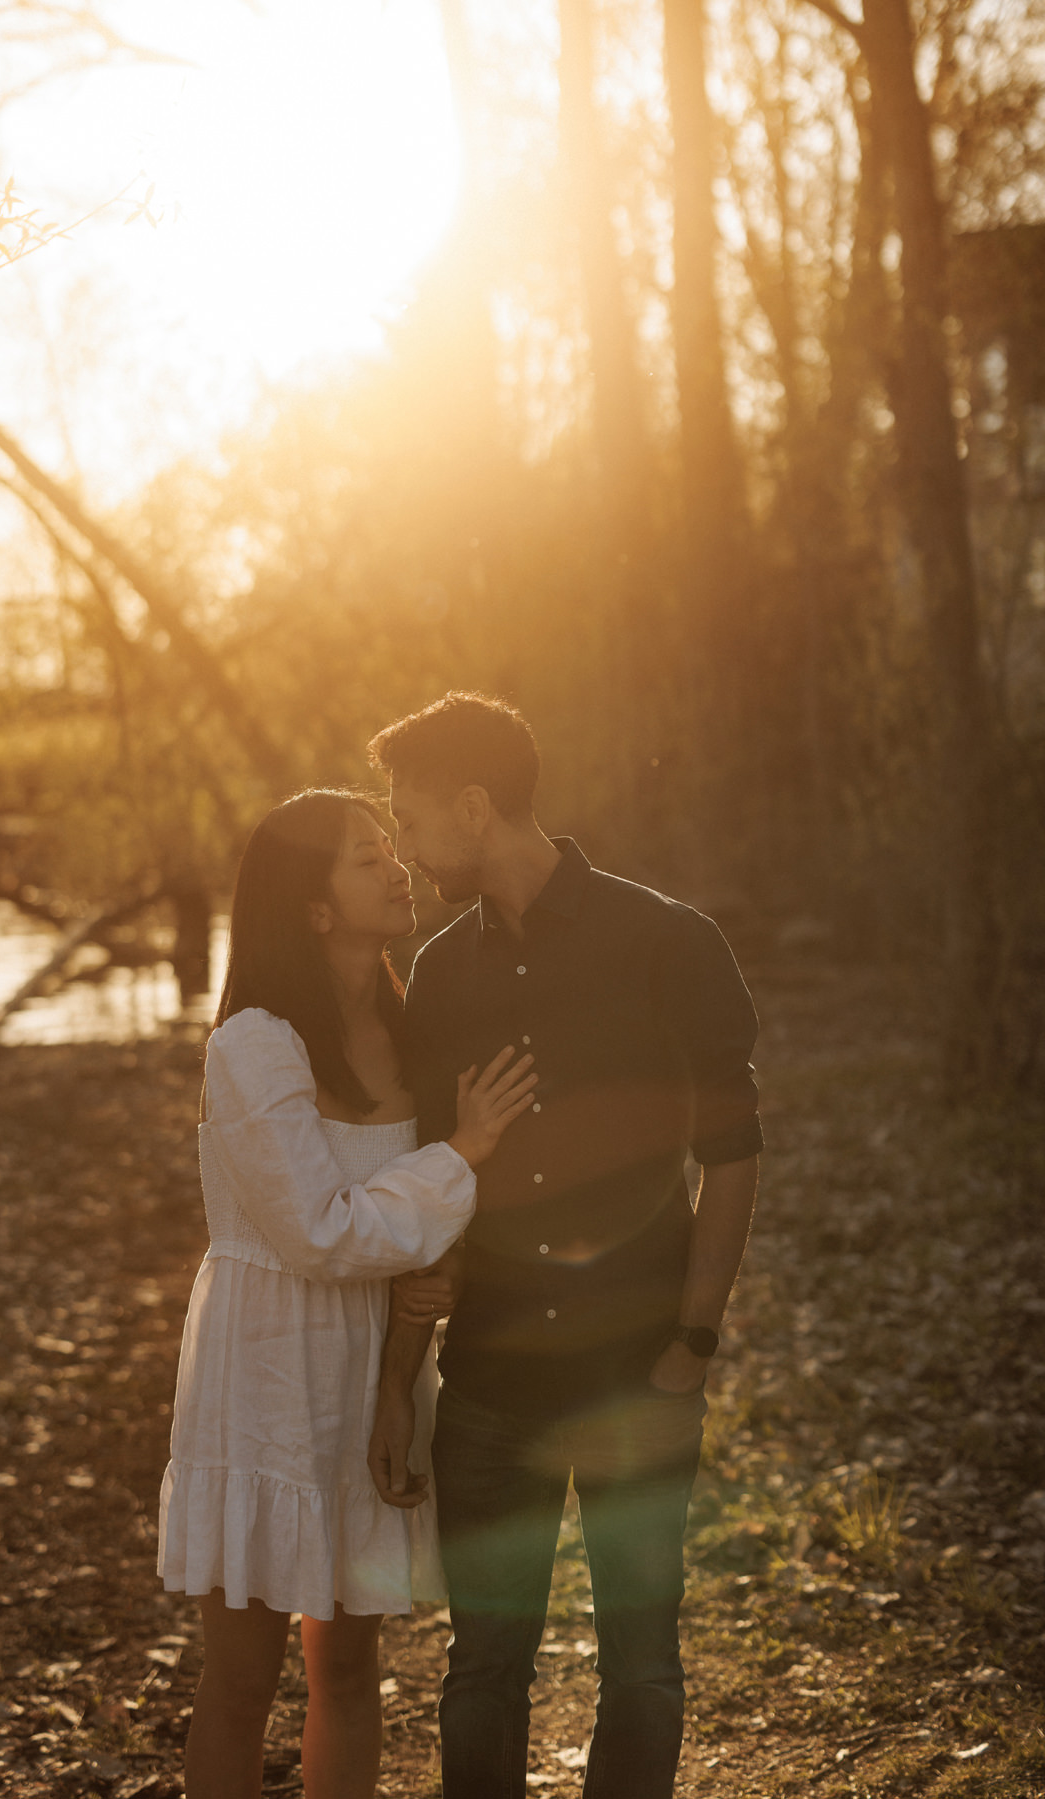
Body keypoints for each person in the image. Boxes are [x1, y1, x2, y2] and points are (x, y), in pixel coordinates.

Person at [365, 694, 763, 1799]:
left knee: (644, 1663)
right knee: (482, 1668)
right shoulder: (440, 973)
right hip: (493, 1377)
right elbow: (434, 1164)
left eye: (410, 816)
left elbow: (733, 1153)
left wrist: (693, 1338)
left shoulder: (669, 942)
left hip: (642, 1366)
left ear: (475, 804)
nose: (404, 844)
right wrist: (409, 1365)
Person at [157, 788, 537, 1799]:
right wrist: (462, 1155)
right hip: (267, 1365)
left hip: (374, 1362)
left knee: (350, 1669)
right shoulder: (254, 1045)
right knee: (242, 1680)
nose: (397, 866)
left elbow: (416, 1246)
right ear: (314, 908)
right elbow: (319, 1229)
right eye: (368, 859)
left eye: (389, 849)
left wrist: (399, 1371)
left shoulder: (416, 1033)